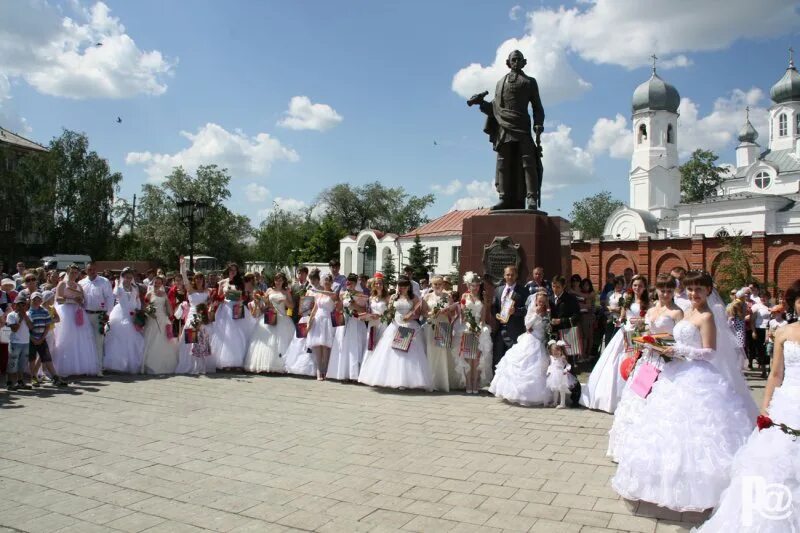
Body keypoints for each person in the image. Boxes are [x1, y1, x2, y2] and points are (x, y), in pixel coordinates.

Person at [611, 270, 757, 512]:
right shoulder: (687, 311)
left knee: (698, 432)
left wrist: (678, 351)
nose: (693, 293)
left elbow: (709, 352)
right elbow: (677, 338)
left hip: (697, 375)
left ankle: (699, 488)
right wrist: (662, 345)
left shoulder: (707, 316)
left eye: (699, 289)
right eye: (690, 289)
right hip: (674, 372)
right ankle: (663, 481)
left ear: (708, 291)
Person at [696, 279, 800, 531]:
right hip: (786, 405)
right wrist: (765, 409)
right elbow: (775, 375)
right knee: (774, 466)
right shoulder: (785, 332)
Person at [606, 274, 682, 463]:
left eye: (669, 290)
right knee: (637, 399)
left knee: (658, 404)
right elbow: (646, 332)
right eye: (662, 290)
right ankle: (630, 447)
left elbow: (681, 341)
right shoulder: (651, 310)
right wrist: (642, 338)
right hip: (647, 360)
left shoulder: (677, 312)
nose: (665, 294)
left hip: (666, 363)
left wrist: (661, 344)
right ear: (656, 290)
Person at [580, 274, 649, 413]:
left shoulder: (648, 302)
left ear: (644, 287)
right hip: (625, 333)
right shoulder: (627, 299)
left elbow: (649, 319)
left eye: (640, 285)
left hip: (638, 334)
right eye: (635, 285)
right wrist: (619, 321)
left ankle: (634, 397)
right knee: (615, 362)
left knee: (634, 362)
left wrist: (641, 323)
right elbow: (623, 316)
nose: (637, 288)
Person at [358, 277, 432, 391]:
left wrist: (410, 317)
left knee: (407, 353)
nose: (402, 288)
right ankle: (391, 378)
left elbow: (418, 314)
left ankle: (405, 380)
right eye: (400, 286)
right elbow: (389, 312)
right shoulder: (393, 297)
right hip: (395, 325)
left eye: (404, 286)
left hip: (408, 326)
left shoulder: (414, 298)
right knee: (392, 352)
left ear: (409, 287)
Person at [489, 290, 551, 404]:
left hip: (541, 340)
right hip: (531, 339)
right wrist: (536, 314)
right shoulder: (532, 310)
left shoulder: (548, 312)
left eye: (543, 302)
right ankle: (518, 393)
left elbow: (548, 326)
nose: (541, 304)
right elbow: (527, 325)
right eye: (539, 301)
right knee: (524, 364)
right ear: (536, 301)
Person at [54, 264, 99, 377]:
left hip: (77, 312)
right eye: (72, 272)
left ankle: (79, 366)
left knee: (80, 340)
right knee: (65, 339)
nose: (74, 275)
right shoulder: (62, 284)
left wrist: (80, 301)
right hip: (65, 313)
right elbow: (58, 299)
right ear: (67, 272)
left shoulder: (79, 285)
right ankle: (63, 367)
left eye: (76, 273)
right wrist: (71, 299)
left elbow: (84, 301)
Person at [244, 272, 294, 374]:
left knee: (279, 342)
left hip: (282, 317)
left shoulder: (286, 292)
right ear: (274, 281)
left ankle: (280, 365)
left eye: (280, 280)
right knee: (268, 342)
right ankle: (265, 365)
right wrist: (259, 301)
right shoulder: (269, 290)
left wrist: (284, 300)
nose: (278, 282)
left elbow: (292, 306)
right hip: (269, 316)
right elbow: (265, 304)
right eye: (276, 280)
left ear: (283, 281)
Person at [453, 272, 493, 394]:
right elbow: (463, 315)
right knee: (468, 357)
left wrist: (480, 326)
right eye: (472, 285)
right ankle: (468, 382)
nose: (475, 288)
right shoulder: (465, 296)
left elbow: (483, 314)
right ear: (468, 286)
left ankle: (476, 382)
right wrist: (471, 326)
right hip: (468, 326)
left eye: (477, 285)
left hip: (479, 327)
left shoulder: (482, 296)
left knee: (477, 358)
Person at [175, 258, 213, 375]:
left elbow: (208, 303)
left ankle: (201, 365)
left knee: (202, 340)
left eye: (201, 278)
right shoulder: (190, 289)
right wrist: (182, 265)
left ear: (203, 280)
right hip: (192, 316)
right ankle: (190, 364)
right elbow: (184, 278)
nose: (199, 280)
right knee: (191, 338)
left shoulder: (208, 290)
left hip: (203, 316)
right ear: (195, 280)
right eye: (197, 278)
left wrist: (211, 306)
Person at [104, 267, 145, 373]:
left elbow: (137, 300)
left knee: (134, 338)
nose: (128, 279)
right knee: (118, 338)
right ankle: (117, 364)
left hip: (132, 313)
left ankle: (131, 362)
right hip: (120, 313)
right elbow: (115, 295)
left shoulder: (135, 288)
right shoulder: (119, 287)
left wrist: (138, 311)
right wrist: (117, 284)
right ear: (123, 277)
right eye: (127, 277)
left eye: (130, 277)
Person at [327, 274, 368, 381]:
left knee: (355, 347)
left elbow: (363, 311)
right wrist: (338, 305)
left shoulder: (361, 295)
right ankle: (343, 373)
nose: (349, 284)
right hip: (344, 321)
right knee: (343, 347)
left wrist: (353, 304)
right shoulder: (343, 294)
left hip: (356, 322)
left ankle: (354, 374)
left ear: (355, 283)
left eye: (351, 282)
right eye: (348, 282)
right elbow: (339, 308)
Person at [79, 262, 114, 376]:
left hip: (100, 315)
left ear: (97, 269)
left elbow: (109, 298)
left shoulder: (104, 281)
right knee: (86, 342)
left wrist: (107, 314)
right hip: (86, 315)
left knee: (99, 342)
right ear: (86, 270)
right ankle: (87, 367)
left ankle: (99, 368)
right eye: (89, 270)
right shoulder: (81, 282)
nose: (92, 271)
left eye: (93, 269)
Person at [212, 263, 249, 370]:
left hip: (237, 307)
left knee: (237, 335)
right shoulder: (222, 282)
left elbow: (245, 296)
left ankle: (237, 361)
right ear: (228, 271)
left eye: (235, 270)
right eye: (231, 270)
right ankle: (225, 362)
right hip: (225, 309)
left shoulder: (240, 282)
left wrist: (239, 298)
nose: (233, 272)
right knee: (225, 336)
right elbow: (218, 297)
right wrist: (224, 295)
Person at [282, 269, 319, 377]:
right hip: (301, 315)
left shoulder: (313, 288)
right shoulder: (296, 287)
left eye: (314, 279)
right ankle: (298, 364)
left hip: (313, 316)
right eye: (298, 273)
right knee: (300, 340)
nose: (313, 281)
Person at [27, 292, 68, 387]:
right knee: (32, 359)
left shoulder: (45, 311)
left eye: (38, 300)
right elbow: (27, 328)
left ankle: (55, 377)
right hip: (31, 339)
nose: (36, 301)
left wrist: (42, 337)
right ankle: (33, 377)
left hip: (42, 338)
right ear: (31, 300)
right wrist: (33, 339)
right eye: (34, 300)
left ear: (41, 300)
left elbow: (47, 325)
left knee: (47, 358)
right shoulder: (28, 312)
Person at [423, 275, 456, 392]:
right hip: (431, 326)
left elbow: (453, 312)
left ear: (443, 285)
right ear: (431, 285)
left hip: (443, 324)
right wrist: (432, 313)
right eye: (435, 284)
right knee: (431, 351)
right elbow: (424, 312)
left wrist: (448, 310)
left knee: (442, 352)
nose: (437, 286)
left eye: (439, 284)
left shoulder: (448, 296)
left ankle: (442, 382)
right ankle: (431, 381)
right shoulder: (427, 296)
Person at [492, 265, 528, 369]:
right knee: (498, 358)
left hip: (515, 331)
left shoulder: (523, 291)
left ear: (516, 275)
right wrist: (496, 315)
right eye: (507, 274)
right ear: (504, 275)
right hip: (499, 330)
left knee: (514, 360)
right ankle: (497, 382)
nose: (510, 277)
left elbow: (527, 309)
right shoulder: (498, 290)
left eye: (512, 275)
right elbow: (494, 307)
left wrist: (515, 311)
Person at [142, 276, 178, 374]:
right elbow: (145, 307)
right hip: (152, 319)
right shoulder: (149, 294)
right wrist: (149, 312)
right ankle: (150, 363)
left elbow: (168, 306)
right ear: (152, 283)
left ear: (161, 284)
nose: (157, 284)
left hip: (162, 318)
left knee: (163, 338)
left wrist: (171, 316)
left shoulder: (164, 294)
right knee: (152, 339)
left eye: (159, 283)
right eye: (155, 283)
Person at [307, 273, 338, 380]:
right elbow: (315, 309)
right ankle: (319, 369)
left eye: (329, 280)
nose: (327, 282)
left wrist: (318, 291)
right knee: (317, 345)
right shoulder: (318, 295)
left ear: (331, 282)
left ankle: (325, 369)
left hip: (327, 320)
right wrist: (310, 320)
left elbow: (332, 297)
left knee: (325, 346)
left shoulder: (333, 294)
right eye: (325, 280)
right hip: (318, 320)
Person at [359, 273, 390, 365]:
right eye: (376, 283)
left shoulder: (387, 298)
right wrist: (366, 316)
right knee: (371, 344)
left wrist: (380, 316)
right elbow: (368, 310)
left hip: (382, 324)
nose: (378, 285)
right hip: (372, 323)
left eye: (380, 283)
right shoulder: (371, 298)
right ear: (373, 285)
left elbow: (390, 313)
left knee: (381, 345)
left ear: (383, 285)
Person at [6, 295, 33, 390]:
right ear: (15, 305)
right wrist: (20, 318)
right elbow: (14, 329)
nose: (22, 306)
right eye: (19, 304)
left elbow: (31, 327)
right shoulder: (11, 315)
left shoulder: (28, 314)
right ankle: (10, 383)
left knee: (22, 364)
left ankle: (20, 382)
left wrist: (25, 315)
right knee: (12, 363)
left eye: (24, 304)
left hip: (25, 342)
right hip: (15, 343)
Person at [546, 340, 576, 408]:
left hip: (562, 375)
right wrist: (548, 372)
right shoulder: (551, 358)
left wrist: (566, 369)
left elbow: (568, 365)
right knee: (555, 390)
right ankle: (555, 402)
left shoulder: (562, 358)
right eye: (553, 352)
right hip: (554, 376)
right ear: (551, 352)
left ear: (561, 351)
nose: (555, 353)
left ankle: (563, 404)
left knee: (562, 389)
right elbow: (550, 366)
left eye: (557, 351)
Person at [751, 295, 771, 378]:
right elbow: (752, 320)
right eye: (762, 297)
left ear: (768, 297)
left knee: (770, 351)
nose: (763, 298)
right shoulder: (756, 306)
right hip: (759, 329)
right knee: (761, 350)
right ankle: (763, 371)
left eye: (765, 297)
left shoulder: (772, 306)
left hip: (770, 329)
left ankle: (770, 370)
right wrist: (753, 331)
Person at [578, 278, 596, 358]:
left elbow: (588, 302)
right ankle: (583, 354)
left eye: (587, 285)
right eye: (584, 285)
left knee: (589, 336)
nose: (586, 287)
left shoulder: (591, 293)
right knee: (583, 336)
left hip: (589, 316)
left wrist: (574, 291)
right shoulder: (580, 293)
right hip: (581, 316)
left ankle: (587, 353)